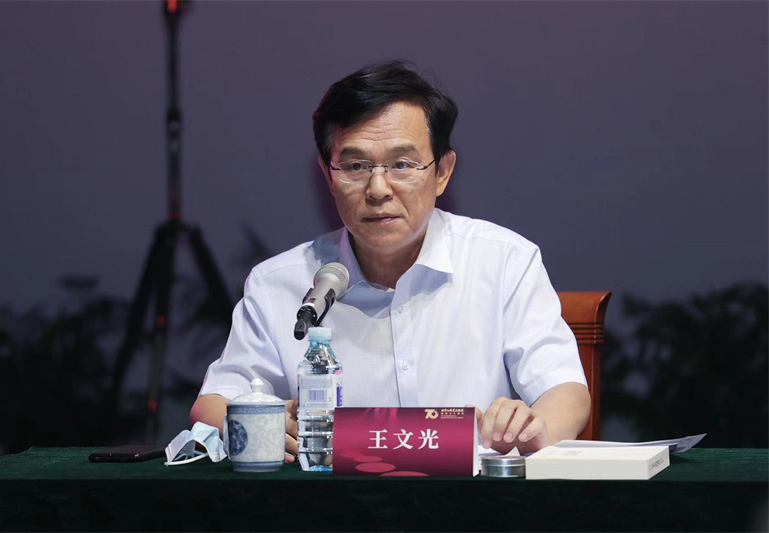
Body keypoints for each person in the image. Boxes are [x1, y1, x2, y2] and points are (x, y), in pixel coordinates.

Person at [190, 60, 590, 463]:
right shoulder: (278, 284)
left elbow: (566, 392)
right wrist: (261, 426)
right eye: (355, 166)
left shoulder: (505, 262)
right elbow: (211, 405)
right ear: (329, 176)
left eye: (401, 165)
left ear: (442, 172)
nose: (378, 189)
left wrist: (533, 426)